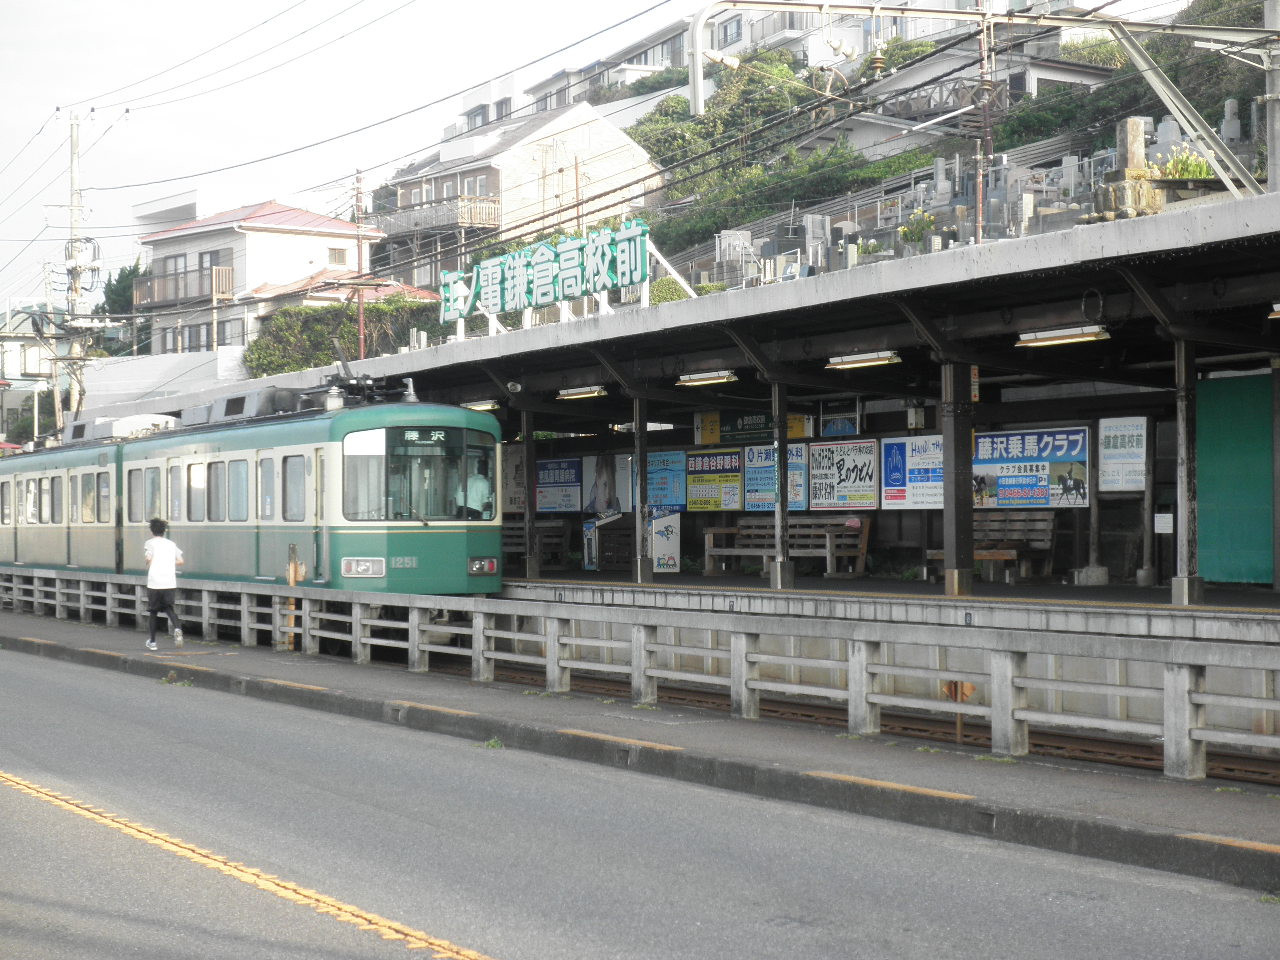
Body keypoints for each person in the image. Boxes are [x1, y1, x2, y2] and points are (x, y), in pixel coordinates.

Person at [144, 517, 185, 651]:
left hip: (155, 582)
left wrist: (150, 562)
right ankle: (177, 629)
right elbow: (181, 561)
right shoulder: (171, 544)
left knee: (153, 612)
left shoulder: (150, 543)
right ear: (164, 531)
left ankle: (153, 642)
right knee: (169, 608)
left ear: (152, 531)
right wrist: (168, 563)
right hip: (169, 581)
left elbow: (148, 559)